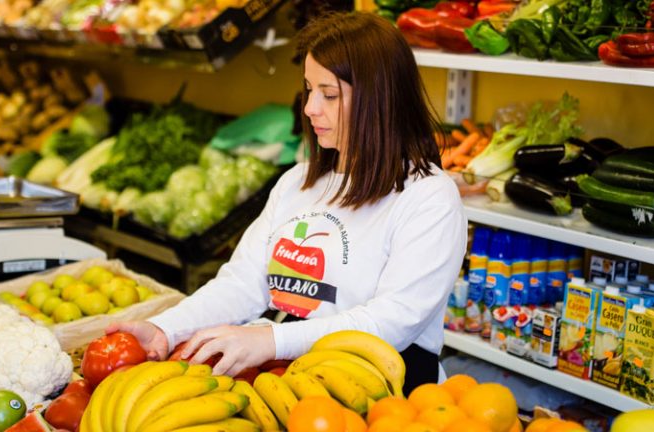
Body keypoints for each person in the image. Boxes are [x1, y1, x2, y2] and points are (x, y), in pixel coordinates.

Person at [107, 11, 467, 395]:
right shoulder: (297, 181)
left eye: (328, 94)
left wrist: (271, 340)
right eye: (309, 89)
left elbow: (393, 321)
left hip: (386, 395)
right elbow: (243, 284)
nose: (310, 107)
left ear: (380, 99)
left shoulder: (428, 198)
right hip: (290, 382)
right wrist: (166, 327)